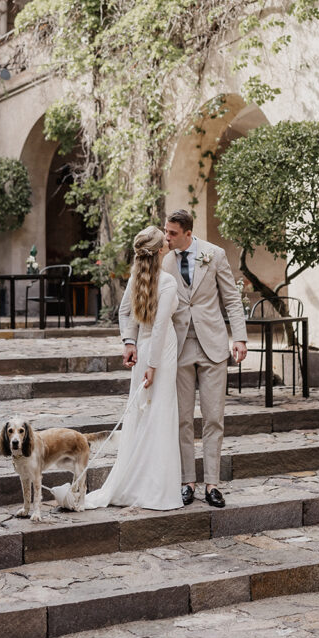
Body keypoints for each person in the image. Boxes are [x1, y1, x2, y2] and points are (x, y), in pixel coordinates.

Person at [85, 225, 182, 511]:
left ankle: (137, 481)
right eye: (164, 238)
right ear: (160, 250)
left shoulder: (137, 276)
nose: (168, 239)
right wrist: (152, 365)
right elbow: (161, 327)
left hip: (143, 351)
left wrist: (130, 342)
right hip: (158, 355)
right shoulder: (167, 282)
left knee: (143, 415)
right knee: (160, 413)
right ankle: (155, 489)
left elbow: (124, 312)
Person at [161, 209, 247, 508]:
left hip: (213, 346)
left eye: (172, 233)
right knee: (183, 419)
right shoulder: (164, 259)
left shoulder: (215, 254)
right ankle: (187, 482)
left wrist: (239, 337)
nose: (167, 237)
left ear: (188, 233)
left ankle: (212, 484)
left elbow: (231, 299)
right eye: (166, 231)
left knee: (213, 418)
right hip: (179, 347)